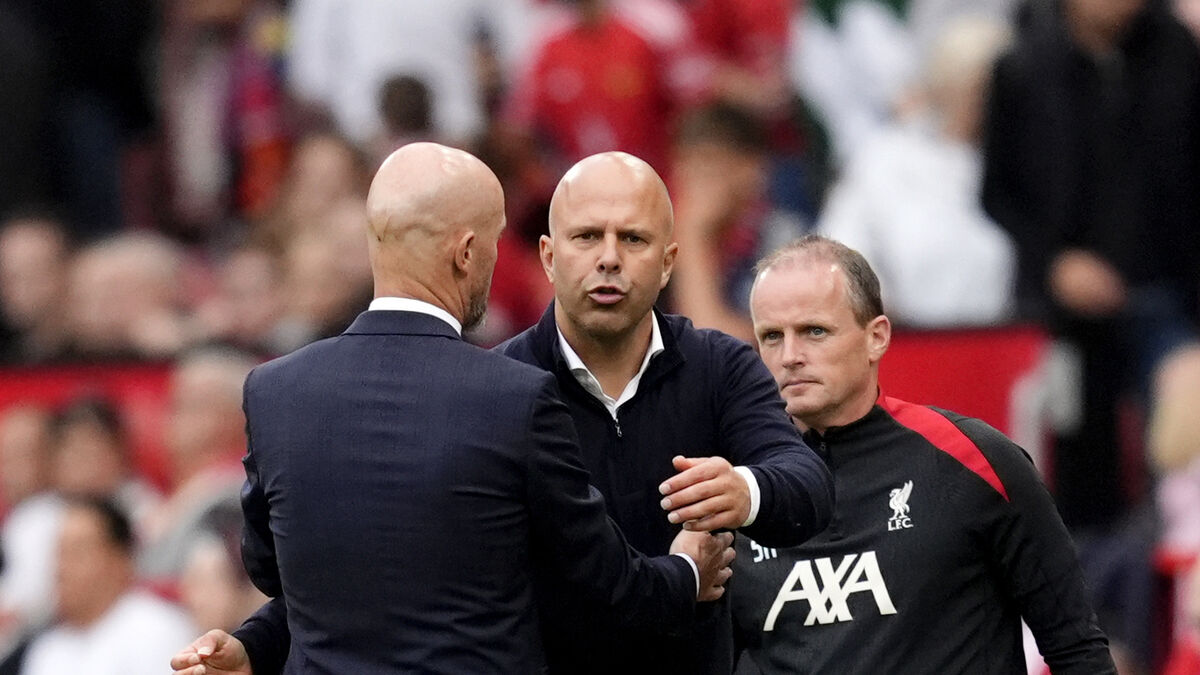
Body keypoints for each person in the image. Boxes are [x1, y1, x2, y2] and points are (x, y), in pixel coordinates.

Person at [169, 142, 734, 675]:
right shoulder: (515, 397)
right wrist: (687, 570)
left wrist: (254, 644)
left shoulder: (275, 390)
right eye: (494, 241)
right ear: (466, 253)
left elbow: (274, 570)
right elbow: (607, 584)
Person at [730, 234, 1115, 673]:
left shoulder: (976, 461)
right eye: (771, 336)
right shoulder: (736, 494)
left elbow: (1077, 649)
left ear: (876, 337)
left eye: (814, 331)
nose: (790, 356)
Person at [19, 497, 196, 675]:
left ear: (120, 560)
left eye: (77, 552)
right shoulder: (46, 649)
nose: (61, 569)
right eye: (59, 553)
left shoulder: (156, 629)